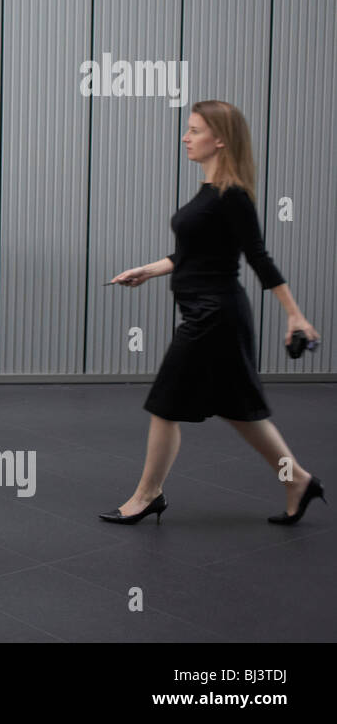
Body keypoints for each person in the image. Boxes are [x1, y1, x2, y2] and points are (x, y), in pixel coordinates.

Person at [102, 100, 324, 526]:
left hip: (213, 318)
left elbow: (258, 258)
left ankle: (147, 495)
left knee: (166, 403)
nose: (186, 137)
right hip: (208, 313)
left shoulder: (232, 195)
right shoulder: (209, 192)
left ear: (220, 139)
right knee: (239, 411)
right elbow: (193, 253)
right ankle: (297, 480)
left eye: (195, 130)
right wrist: (147, 271)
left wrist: (295, 316)